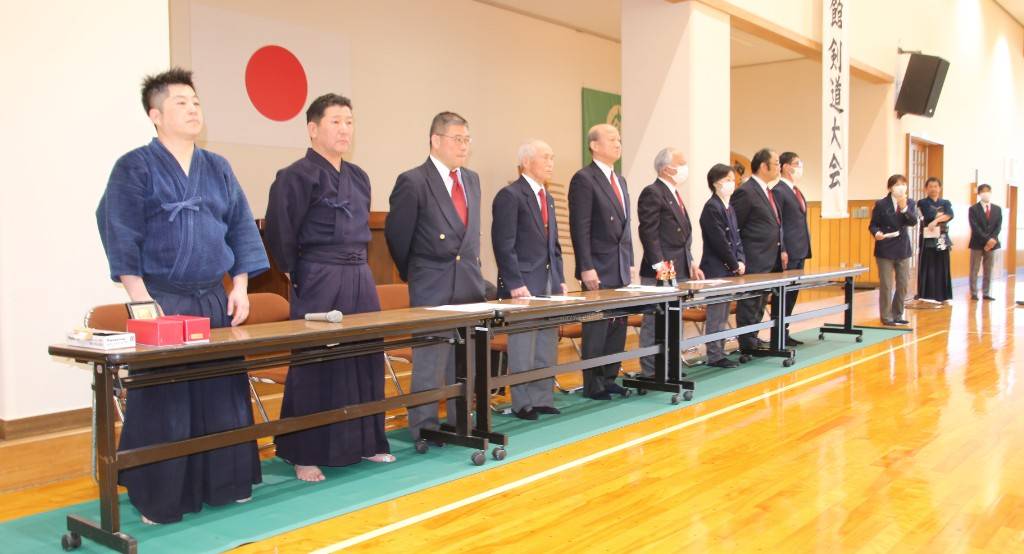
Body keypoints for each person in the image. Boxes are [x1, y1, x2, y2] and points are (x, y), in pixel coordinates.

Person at [95, 68, 268, 524]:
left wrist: (241, 285)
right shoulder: (134, 167)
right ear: (155, 115)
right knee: (166, 403)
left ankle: (226, 484)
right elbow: (119, 229)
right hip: (163, 301)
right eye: (180, 103)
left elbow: (241, 226)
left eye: (196, 102)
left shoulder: (218, 167)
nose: (193, 110)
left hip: (212, 298)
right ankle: (161, 497)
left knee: (222, 394)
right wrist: (140, 299)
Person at [265, 94, 392, 483]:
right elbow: (280, 233)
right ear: (313, 129)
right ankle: (304, 452)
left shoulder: (358, 176)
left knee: (365, 355)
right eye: (335, 121)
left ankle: (366, 441)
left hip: (359, 275)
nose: (344, 129)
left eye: (349, 122)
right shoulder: (294, 176)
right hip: (318, 275)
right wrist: (299, 273)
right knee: (316, 362)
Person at [385, 111, 486, 441]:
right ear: (435, 140)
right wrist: (418, 274)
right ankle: (424, 429)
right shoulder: (414, 181)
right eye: (457, 139)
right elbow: (398, 238)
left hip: (468, 284)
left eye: (467, 140)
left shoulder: (472, 180)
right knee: (430, 365)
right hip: (432, 285)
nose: (464, 146)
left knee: (465, 363)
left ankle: (461, 424)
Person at [492, 140, 566, 420]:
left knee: (546, 343)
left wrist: (559, 279)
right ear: (526, 162)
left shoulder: (548, 197)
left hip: (548, 282)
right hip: (522, 283)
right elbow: (503, 245)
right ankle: (522, 403)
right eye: (545, 157)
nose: (550, 163)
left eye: (552, 157)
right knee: (523, 345)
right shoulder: (510, 195)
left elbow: (554, 246)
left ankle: (542, 397)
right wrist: (514, 282)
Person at [568, 123, 635, 400]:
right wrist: (586, 266)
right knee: (596, 326)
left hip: (619, 265)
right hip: (597, 265)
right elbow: (580, 227)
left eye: (619, 139)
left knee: (618, 325)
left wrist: (630, 261)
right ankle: (593, 384)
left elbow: (626, 227)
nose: (618, 143)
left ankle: (609, 377)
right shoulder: (584, 179)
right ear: (594, 146)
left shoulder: (620, 180)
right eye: (611, 139)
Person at [637, 147, 702, 377]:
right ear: (666, 169)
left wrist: (691, 261)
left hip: (679, 266)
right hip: (661, 269)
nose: (685, 167)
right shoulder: (653, 192)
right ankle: (651, 371)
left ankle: (670, 366)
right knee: (655, 320)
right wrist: (661, 267)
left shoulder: (674, 193)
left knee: (674, 319)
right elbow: (649, 233)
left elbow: (683, 236)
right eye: (681, 163)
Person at [731, 148, 786, 352]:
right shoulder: (746, 191)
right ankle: (747, 344)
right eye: (776, 163)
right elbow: (735, 228)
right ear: (763, 166)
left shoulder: (767, 191)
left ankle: (753, 337)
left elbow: (776, 224)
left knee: (761, 301)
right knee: (750, 302)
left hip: (769, 258)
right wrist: (740, 258)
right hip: (754, 258)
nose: (779, 167)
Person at [699, 164, 746, 368]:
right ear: (716, 183)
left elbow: (737, 238)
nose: (732, 183)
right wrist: (734, 264)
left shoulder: (729, 207)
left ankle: (719, 351)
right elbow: (719, 242)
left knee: (724, 313)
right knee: (716, 314)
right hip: (716, 269)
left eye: (733, 180)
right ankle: (715, 355)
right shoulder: (712, 207)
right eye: (727, 180)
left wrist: (741, 260)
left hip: (729, 269)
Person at [771, 152, 811, 345]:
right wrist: (783, 249)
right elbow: (778, 223)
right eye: (797, 164)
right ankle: (777, 334)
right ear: (786, 167)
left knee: (793, 293)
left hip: (800, 249)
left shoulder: (796, 191)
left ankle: (784, 331)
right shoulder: (779, 191)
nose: (800, 167)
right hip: (788, 251)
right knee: (784, 294)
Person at [869, 174, 918, 325]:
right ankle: (886, 316)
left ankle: (898, 314)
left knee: (903, 283)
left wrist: (904, 208)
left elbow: (913, 221)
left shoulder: (910, 202)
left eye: (903, 184)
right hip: (885, 248)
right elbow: (873, 224)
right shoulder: (881, 204)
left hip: (902, 248)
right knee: (886, 284)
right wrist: (876, 233)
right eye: (897, 184)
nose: (901, 187)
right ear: (890, 188)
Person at [916, 177, 954, 303]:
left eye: (936, 186)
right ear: (926, 189)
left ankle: (943, 296)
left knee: (943, 264)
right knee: (928, 265)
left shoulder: (946, 202)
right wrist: (939, 216)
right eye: (930, 186)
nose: (933, 189)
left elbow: (950, 215)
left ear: (940, 188)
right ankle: (927, 295)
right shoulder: (922, 202)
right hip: (928, 237)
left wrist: (936, 220)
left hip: (942, 236)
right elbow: (928, 215)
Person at [968, 184, 1002, 301]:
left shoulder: (997, 209)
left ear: (991, 192)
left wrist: (992, 239)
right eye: (983, 191)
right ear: (979, 194)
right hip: (977, 243)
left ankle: (986, 293)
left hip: (992, 244)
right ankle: (974, 293)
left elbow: (998, 226)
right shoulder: (973, 209)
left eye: (988, 191)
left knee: (989, 269)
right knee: (974, 269)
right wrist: (987, 239)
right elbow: (975, 227)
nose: (986, 193)